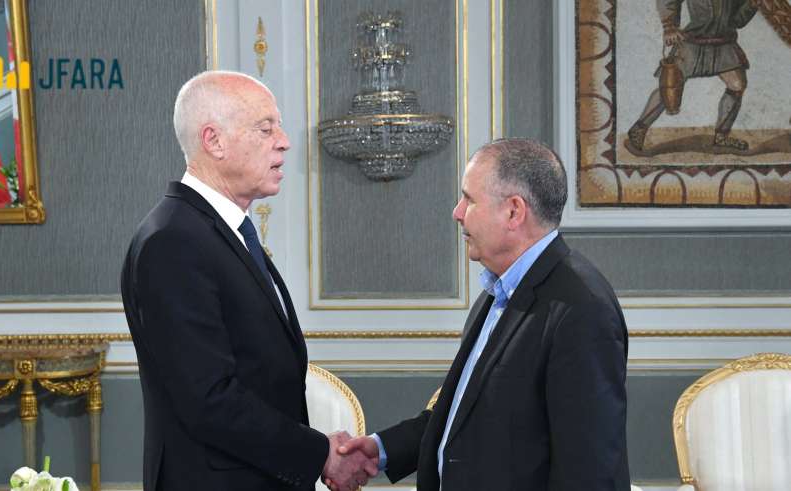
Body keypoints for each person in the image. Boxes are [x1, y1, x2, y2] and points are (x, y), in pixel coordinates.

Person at [121, 71, 375, 491]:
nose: (284, 141)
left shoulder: (215, 231)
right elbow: (208, 398)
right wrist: (319, 454)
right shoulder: (173, 241)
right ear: (213, 141)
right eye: (265, 128)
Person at [330, 138, 630, 491]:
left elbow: (588, 470)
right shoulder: (500, 291)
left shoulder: (581, 307)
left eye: (469, 199)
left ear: (514, 212)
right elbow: (468, 414)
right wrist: (381, 450)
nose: (457, 212)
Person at [627, 0, 759, 154]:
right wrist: (669, 26)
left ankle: (722, 136)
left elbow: (737, 21)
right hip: (692, 43)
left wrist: (751, 5)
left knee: (737, 84)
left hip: (723, 42)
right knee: (670, 85)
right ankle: (638, 129)